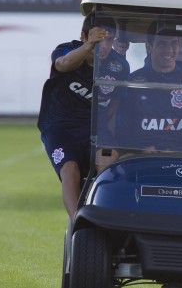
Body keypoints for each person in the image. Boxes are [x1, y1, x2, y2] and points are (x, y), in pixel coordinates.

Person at [37, 16, 129, 219]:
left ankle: (106, 217)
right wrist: (89, 46)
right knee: (70, 170)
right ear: (83, 36)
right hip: (60, 127)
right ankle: (78, 223)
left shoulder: (119, 66)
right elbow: (62, 65)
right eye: (99, 40)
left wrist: (109, 134)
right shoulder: (66, 50)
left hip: (95, 127)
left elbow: (115, 103)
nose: (104, 46)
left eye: (109, 40)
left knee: (107, 161)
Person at [118, 22, 182, 151]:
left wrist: (179, 151)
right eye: (162, 43)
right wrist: (138, 149)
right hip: (139, 157)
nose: (169, 50)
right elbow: (122, 128)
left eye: (174, 43)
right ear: (149, 47)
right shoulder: (132, 82)